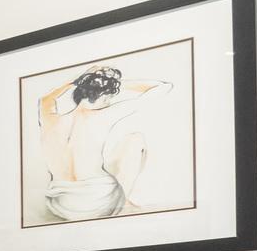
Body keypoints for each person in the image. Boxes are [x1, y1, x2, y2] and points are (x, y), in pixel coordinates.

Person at [34, 65, 173, 220]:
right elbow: (163, 87)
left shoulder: (50, 119)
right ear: (104, 96)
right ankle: (124, 203)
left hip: (61, 204)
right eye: (108, 98)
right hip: (99, 203)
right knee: (135, 140)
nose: (108, 102)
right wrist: (115, 84)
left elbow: (45, 99)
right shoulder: (105, 115)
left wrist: (78, 82)